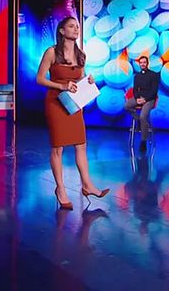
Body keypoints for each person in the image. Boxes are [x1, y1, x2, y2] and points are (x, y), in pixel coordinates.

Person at [36, 16, 109, 210]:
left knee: (81, 145)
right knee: (58, 148)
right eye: (71, 26)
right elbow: (40, 79)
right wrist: (61, 85)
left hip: (74, 104)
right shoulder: (52, 52)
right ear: (62, 31)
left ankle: (87, 185)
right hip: (55, 102)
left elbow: (80, 79)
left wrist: (89, 82)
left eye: (77, 26)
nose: (76, 29)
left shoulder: (81, 55)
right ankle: (60, 189)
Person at [124, 56, 159, 150]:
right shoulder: (137, 76)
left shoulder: (154, 75)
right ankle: (138, 119)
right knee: (126, 106)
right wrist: (137, 98)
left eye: (144, 62)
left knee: (143, 116)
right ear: (139, 64)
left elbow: (154, 91)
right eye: (141, 63)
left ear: (147, 63)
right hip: (139, 98)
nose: (142, 64)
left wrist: (145, 99)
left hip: (150, 99)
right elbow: (135, 90)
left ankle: (143, 141)